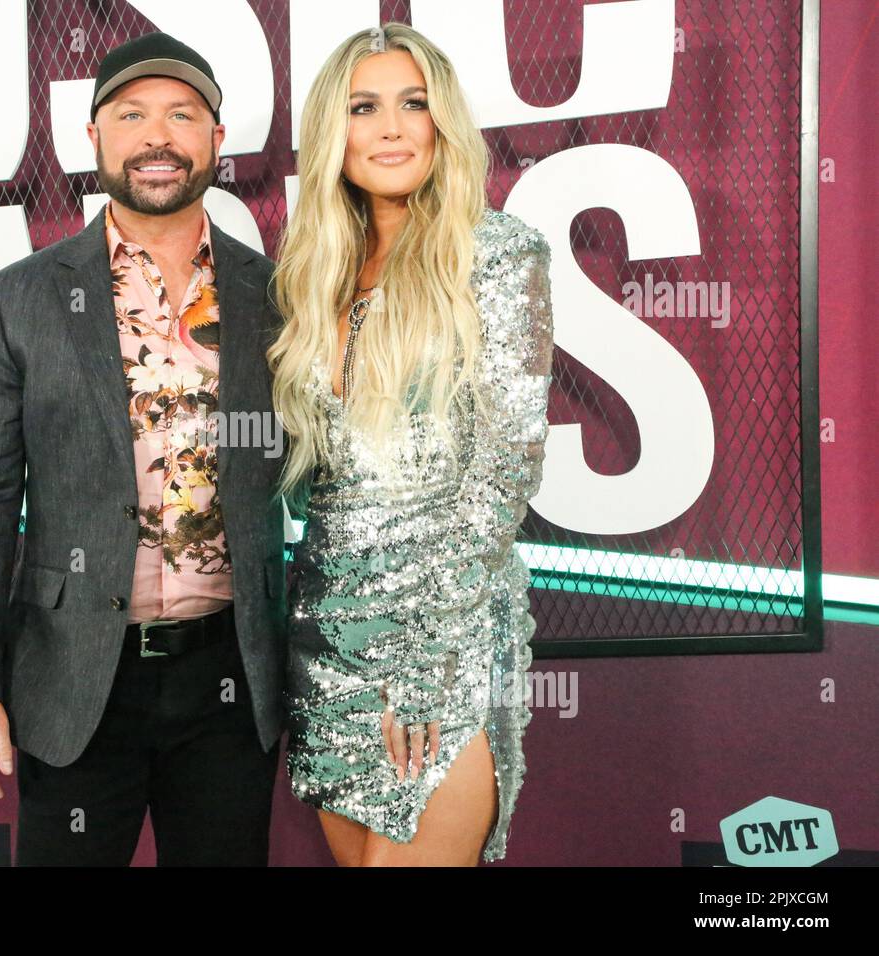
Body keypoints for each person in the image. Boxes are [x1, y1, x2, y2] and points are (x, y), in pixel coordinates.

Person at [0, 31, 288, 866]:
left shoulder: (278, 295)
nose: (156, 136)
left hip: (231, 682)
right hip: (75, 680)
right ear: (94, 138)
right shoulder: (19, 301)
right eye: (131, 114)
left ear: (215, 140)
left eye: (181, 114)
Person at [267, 22, 555, 866]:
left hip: (444, 635)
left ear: (442, 124)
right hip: (328, 638)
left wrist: (425, 661)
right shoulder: (311, 273)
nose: (391, 127)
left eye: (413, 104)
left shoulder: (496, 255)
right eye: (364, 107)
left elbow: (504, 471)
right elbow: (308, 484)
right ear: (334, 132)